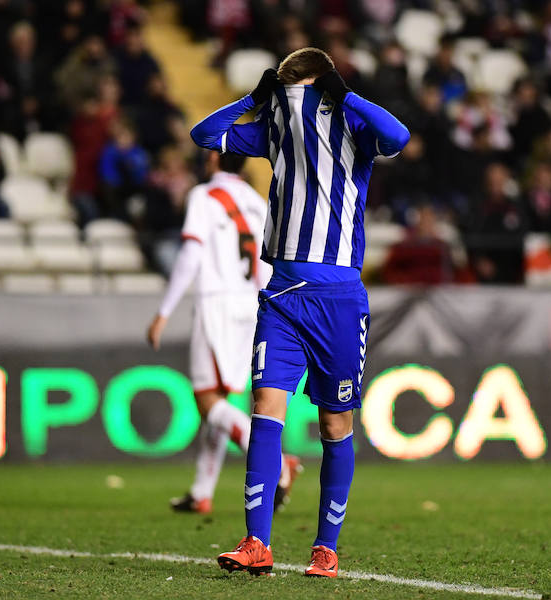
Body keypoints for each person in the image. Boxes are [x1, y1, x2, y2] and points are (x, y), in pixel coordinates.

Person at [189, 47, 409, 578]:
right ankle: (255, 542)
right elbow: (204, 136)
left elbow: (399, 137)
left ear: (327, 86)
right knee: (266, 406)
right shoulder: (274, 129)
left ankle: (325, 547)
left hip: (338, 299)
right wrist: (252, 100)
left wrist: (346, 95)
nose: (298, 102)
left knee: (335, 423)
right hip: (283, 296)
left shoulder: (353, 124)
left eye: (308, 90)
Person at [147, 149, 300, 515]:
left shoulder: (203, 195)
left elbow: (190, 255)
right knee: (219, 399)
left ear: (214, 160)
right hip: (251, 304)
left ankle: (277, 464)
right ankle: (202, 491)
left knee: (206, 399)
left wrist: (163, 312)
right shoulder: (254, 200)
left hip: (216, 302)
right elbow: (269, 262)